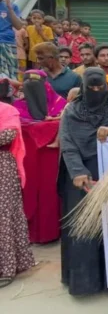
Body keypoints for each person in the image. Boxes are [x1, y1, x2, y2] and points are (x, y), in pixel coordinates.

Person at [58, 68, 108, 296]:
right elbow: (67, 143)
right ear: (83, 88)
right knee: (81, 228)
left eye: (99, 87)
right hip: (80, 175)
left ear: (106, 87)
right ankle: (84, 283)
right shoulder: (71, 111)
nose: (95, 91)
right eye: (90, 88)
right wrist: (77, 171)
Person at [0, 101, 36, 288]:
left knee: (4, 216)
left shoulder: (7, 110)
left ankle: (7, 267)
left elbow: (8, 135)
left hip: (2, 167)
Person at [0, 0, 22, 80]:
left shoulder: (13, 6)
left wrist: (9, 7)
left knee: (11, 74)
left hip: (8, 43)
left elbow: (19, 26)